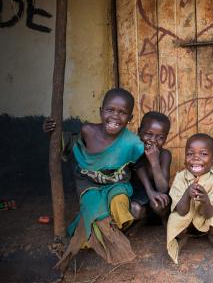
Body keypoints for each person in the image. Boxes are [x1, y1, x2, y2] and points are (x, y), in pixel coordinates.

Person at [43, 88, 144, 270]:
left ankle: (112, 228)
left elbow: (140, 166)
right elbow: (68, 143)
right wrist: (52, 132)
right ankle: (97, 237)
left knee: (119, 201)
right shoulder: (88, 131)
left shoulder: (132, 142)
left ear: (130, 118)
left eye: (122, 113)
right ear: (100, 111)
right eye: (110, 110)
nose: (115, 116)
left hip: (116, 184)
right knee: (93, 209)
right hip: (88, 183)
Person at [166, 133, 213, 264]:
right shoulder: (180, 177)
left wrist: (205, 200)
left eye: (203, 154)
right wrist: (187, 193)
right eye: (190, 154)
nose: (196, 158)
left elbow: (209, 214)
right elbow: (181, 211)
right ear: (185, 158)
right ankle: (182, 236)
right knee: (174, 219)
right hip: (187, 219)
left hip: (206, 216)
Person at [130, 112, 171, 228]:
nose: (153, 140)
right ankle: (143, 219)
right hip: (137, 194)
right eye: (148, 134)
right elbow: (137, 167)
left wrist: (154, 162)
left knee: (160, 203)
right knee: (135, 209)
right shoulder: (133, 151)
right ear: (139, 132)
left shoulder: (165, 155)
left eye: (160, 137)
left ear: (166, 138)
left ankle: (165, 220)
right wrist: (150, 192)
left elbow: (163, 188)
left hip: (159, 194)